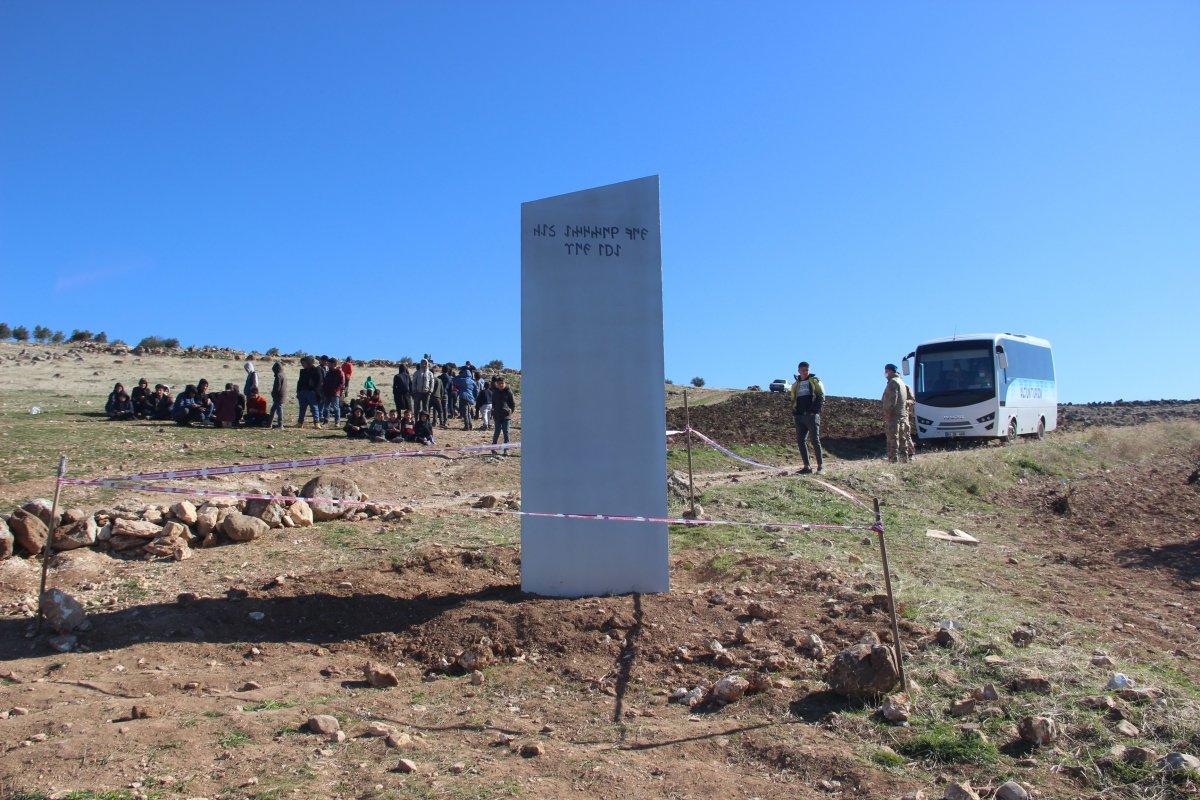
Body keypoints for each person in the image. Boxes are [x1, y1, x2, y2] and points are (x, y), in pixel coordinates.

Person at [790, 361, 824, 474]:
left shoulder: (814, 381)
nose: (804, 372)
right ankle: (807, 467)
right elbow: (793, 399)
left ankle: (820, 467)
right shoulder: (796, 384)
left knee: (815, 440)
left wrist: (814, 411)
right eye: (802, 370)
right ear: (798, 371)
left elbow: (820, 396)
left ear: (808, 370)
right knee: (800, 441)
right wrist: (795, 412)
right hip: (799, 416)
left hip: (812, 416)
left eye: (806, 370)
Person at [882, 364, 912, 464]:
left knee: (893, 438)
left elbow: (892, 400)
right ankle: (904, 459)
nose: (885, 373)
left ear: (890, 371)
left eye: (886, 371)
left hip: (894, 415)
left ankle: (893, 460)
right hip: (902, 415)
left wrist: (888, 412)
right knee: (903, 437)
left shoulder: (893, 382)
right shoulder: (901, 382)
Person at [490, 375, 516, 453]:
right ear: (497, 384)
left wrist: (510, 411)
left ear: (505, 383)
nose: (501, 385)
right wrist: (493, 412)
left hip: (506, 416)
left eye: (502, 383)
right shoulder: (495, 392)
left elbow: (513, 404)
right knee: (497, 432)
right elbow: (493, 403)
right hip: (497, 416)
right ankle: (493, 448)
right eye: (499, 383)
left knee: (506, 432)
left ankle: (506, 450)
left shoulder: (508, 391)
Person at [296, 356, 323, 428]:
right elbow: (299, 382)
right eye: (302, 363)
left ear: (308, 362)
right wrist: (298, 391)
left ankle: (317, 423)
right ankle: (300, 422)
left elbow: (319, 382)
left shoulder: (316, 370)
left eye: (303, 363)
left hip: (312, 392)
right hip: (303, 392)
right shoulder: (303, 371)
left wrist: (316, 391)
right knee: (302, 408)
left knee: (314, 408)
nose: (302, 364)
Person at [322, 360, 345, 425]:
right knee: (326, 407)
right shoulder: (328, 372)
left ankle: (337, 422)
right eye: (328, 363)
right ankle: (326, 420)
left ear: (334, 364)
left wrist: (336, 390)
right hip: (327, 392)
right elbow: (325, 382)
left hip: (335, 393)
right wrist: (324, 389)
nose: (328, 365)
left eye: (329, 364)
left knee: (336, 407)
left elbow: (342, 383)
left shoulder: (339, 372)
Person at [269, 361, 287, 429]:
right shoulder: (283, 375)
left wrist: (273, 394)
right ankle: (269, 423)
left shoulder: (278, 376)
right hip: (282, 395)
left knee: (279, 410)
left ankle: (280, 425)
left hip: (279, 396)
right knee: (273, 410)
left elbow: (277, 387)